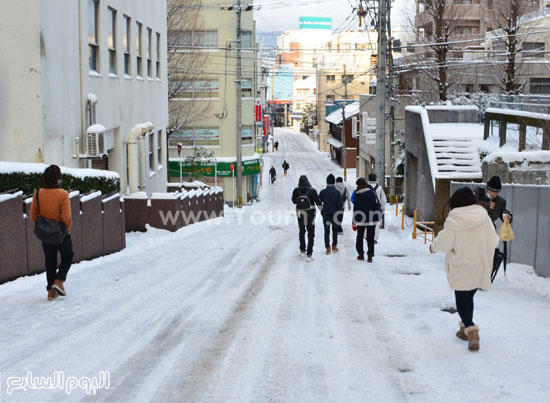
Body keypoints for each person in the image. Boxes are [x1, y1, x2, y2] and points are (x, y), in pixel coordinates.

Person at [430, 187, 499, 352]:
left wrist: (433, 247)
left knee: (461, 301)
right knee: (469, 299)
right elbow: (495, 241)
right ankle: (463, 330)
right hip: (480, 265)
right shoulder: (484, 216)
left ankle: (472, 331)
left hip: (461, 266)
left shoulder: (455, 219)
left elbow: (444, 242)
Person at [30, 165, 74, 301]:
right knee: (68, 256)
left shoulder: (37, 194)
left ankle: (50, 291)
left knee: (50, 262)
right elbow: (66, 217)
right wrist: (67, 227)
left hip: (45, 234)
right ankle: (59, 281)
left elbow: (33, 216)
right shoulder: (63, 194)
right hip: (60, 233)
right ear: (58, 178)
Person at [291, 175, 322, 262]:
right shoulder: (312, 190)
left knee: (301, 232)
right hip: (310, 214)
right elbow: (318, 202)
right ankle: (309, 254)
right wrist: (323, 212)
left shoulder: (296, 190)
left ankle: (302, 251)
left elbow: (293, 201)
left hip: (300, 213)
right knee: (311, 234)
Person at [352, 177, 381, 262]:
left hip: (361, 219)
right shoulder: (372, 193)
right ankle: (370, 255)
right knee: (370, 237)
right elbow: (377, 205)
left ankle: (361, 254)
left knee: (360, 237)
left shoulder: (357, 195)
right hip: (372, 218)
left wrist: (354, 221)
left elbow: (355, 209)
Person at [319, 174, 344, 255]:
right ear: (334, 182)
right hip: (335, 214)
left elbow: (319, 203)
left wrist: (322, 211)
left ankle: (327, 247)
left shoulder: (322, 192)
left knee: (326, 231)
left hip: (326, 214)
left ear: (327, 182)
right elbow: (340, 205)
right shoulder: (337, 192)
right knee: (335, 230)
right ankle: (334, 246)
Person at [367, 173, 387, 243]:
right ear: (375, 179)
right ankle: (374, 238)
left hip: (367, 208)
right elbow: (383, 200)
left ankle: (367, 236)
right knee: (376, 224)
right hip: (377, 208)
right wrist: (382, 208)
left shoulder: (365, 187)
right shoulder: (379, 188)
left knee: (367, 222)